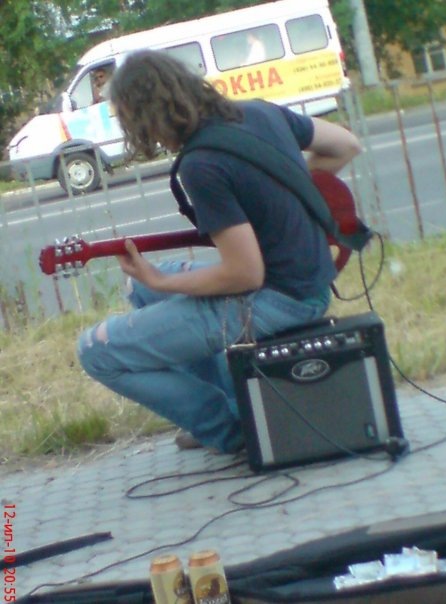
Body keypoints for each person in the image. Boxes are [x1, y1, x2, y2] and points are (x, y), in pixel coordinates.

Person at [77, 50, 362, 455]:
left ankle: (231, 431)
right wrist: (288, 191)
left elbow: (245, 274)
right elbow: (346, 145)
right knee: (139, 290)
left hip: (281, 299)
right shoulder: (259, 111)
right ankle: (237, 405)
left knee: (96, 352)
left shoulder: (201, 164)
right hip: (311, 281)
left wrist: (162, 279)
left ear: (146, 115)